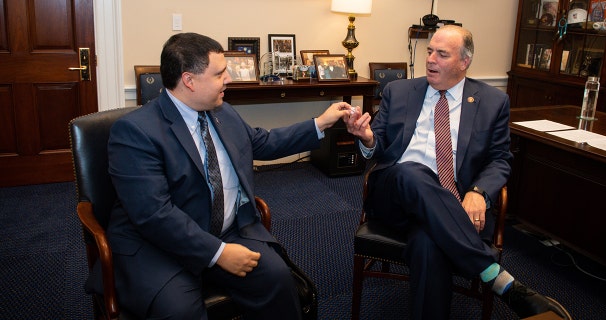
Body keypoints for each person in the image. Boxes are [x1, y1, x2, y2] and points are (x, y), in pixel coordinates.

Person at [86, 32, 353, 319]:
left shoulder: (221, 111)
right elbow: (153, 215)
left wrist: (320, 123)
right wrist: (219, 253)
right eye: (219, 74)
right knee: (179, 312)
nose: (229, 79)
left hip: (225, 231)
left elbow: (263, 142)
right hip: (159, 247)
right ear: (189, 81)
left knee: (278, 279)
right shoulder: (135, 132)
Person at [345, 25, 572, 320]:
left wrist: (478, 193)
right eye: (429, 51)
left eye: (442, 54)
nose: (430, 60)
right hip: (395, 195)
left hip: (453, 207)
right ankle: (496, 276)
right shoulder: (398, 91)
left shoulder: (492, 102)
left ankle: (499, 283)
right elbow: (380, 148)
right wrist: (368, 139)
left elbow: (500, 159)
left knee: (428, 243)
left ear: (464, 62)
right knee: (412, 172)